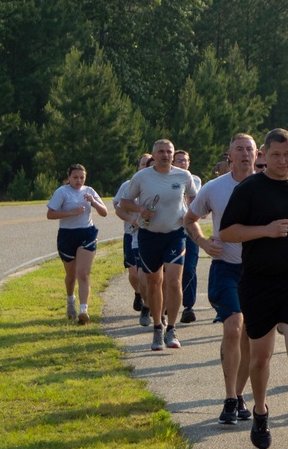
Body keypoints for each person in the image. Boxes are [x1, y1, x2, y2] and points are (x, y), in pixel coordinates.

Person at [219, 128, 288, 449]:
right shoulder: (251, 189)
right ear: (264, 155)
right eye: (276, 154)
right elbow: (227, 232)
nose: (283, 160)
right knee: (261, 356)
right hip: (259, 281)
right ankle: (261, 412)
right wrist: (265, 231)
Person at [185, 134, 259, 426]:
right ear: (230, 154)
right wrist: (203, 242)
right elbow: (189, 219)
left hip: (258, 271)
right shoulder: (215, 188)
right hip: (226, 267)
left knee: (251, 336)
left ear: (257, 153)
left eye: (249, 149)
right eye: (238, 149)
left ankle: (239, 395)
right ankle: (229, 398)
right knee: (233, 325)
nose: (244, 154)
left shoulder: (266, 187)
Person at [119, 139, 198, 351]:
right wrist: (140, 209)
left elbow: (193, 198)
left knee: (174, 281)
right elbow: (124, 202)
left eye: (169, 151)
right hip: (149, 235)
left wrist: (191, 216)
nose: (165, 155)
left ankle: (172, 328)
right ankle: (157, 327)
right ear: (154, 155)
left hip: (175, 234)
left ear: (173, 155)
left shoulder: (183, 176)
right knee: (154, 283)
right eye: (161, 151)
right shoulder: (141, 177)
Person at [46, 164, 108, 324]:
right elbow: (50, 214)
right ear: (69, 178)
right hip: (67, 235)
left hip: (87, 233)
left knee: (83, 273)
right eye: (75, 177)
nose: (79, 180)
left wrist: (93, 201)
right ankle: (70, 300)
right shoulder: (62, 192)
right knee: (71, 275)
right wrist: (71, 212)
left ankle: (83, 310)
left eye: (82, 177)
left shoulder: (89, 191)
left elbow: (104, 212)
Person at [114, 153, 153, 319]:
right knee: (135, 274)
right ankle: (138, 293)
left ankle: (150, 304)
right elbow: (118, 207)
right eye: (143, 164)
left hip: (153, 235)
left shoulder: (158, 185)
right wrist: (131, 218)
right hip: (132, 234)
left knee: (151, 274)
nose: (146, 167)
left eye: (148, 164)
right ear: (138, 167)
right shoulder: (128, 185)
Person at [172, 149, 202, 325]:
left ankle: (188, 307)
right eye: (179, 160)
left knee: (189, 268)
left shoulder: (195, 180)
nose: (182, 163)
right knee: (172, 269)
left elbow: (197, 204)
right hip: (172, 230)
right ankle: (169, 303)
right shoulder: (168, 178)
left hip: (190, 228)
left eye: (185, 160)